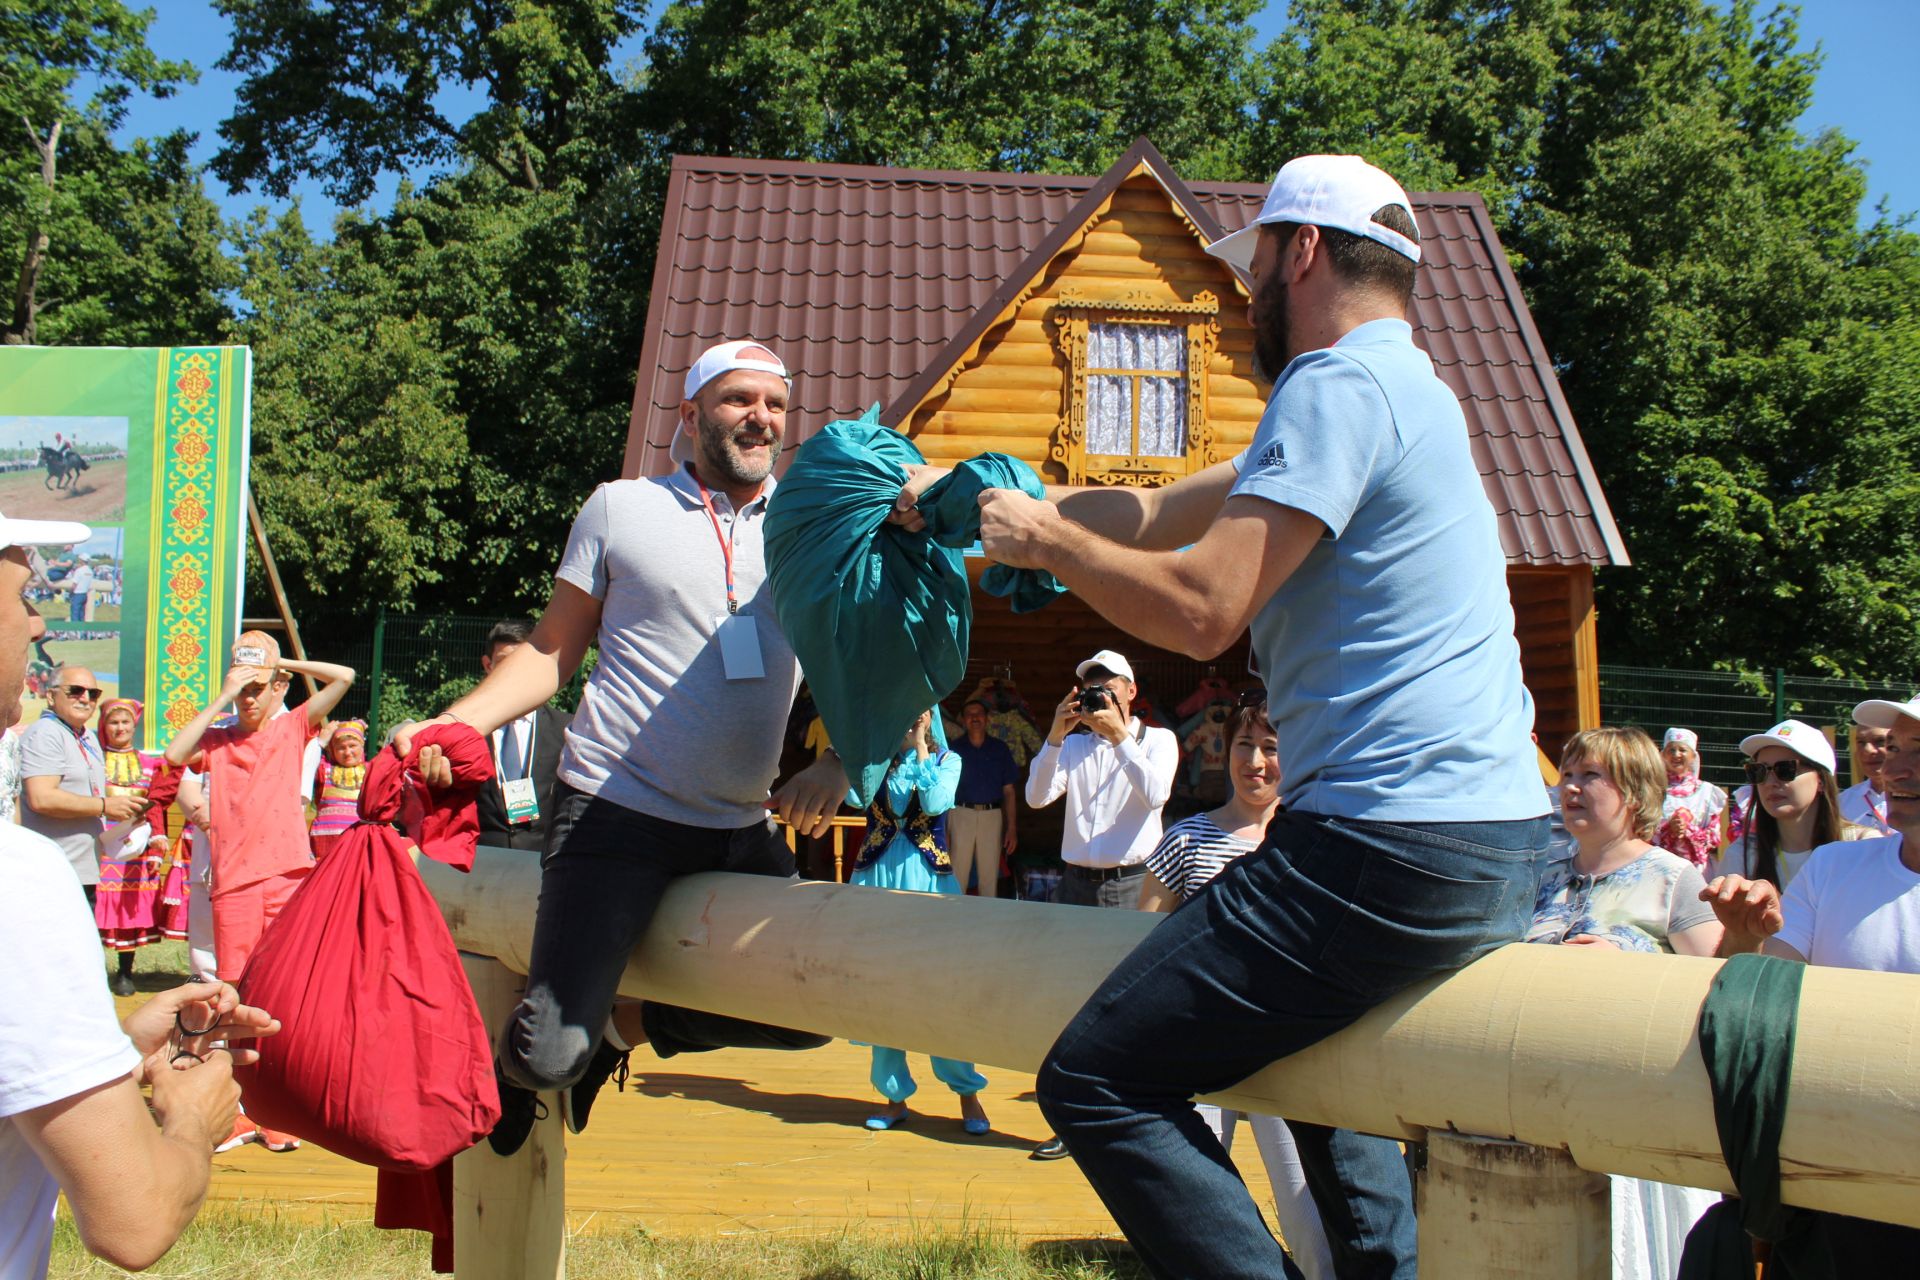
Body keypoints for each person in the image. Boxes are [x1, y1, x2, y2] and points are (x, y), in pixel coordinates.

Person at [897, 153, 1549, 1277]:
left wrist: (1047, 545)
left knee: (1094, 1081)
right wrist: (966, 498)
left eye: (1252, 271)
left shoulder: (1334, 386)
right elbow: (1148, 509)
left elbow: (1202, 612)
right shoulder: (1415, 391)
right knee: (1311, 1069)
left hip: (1380, 847)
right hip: (1494, 848)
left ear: (1300, 251)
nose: (1248, 300)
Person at [398, 339, 843, 1157]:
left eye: (775, 404)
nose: (761, 418)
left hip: (742, 825)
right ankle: (530, 1062)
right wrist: (453, 723)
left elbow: (866, 653)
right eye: (739, 399)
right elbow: (550, 652)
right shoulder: (621, 506)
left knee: (810, 1012)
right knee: (549, 1054)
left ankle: (622, 1028)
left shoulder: (809, 528)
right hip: (616, 811)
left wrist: (841, 759)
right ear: (691, 414)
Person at [0, 507, 280, 1280]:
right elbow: (135, 1221)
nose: (37, 624)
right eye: (24, 592)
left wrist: (115, 1049)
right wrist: (195, 1117)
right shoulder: (16, 880)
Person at [1701, 696, 1920, 1268]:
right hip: (1835, 1189)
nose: (1894, 768)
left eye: (1919, 751)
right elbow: (1769, 998)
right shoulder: (1833, 869)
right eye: (1893, 749)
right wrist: (1744, 938)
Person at [1138, 699, 1334, 1280]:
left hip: (1284, 1043)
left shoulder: (1315, 843)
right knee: (1196, 1180)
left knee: (1302, 1190)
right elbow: (1144, 937)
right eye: (1245, 745)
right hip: (1197, 1040)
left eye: (1271, 748)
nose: (1256, 761)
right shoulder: (1187, 837)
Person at [1527, 727, 1722, 1278]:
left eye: (1591, 775)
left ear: (1635, 792)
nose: (1570, 787)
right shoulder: (1541, 878)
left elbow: (1718, 982)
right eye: (1567, 774)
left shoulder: (1673, 878)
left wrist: (1632, 966)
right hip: (1537, 1102)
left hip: (1630, 1111)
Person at [162, 631, 355, 1153]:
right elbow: (173, 755)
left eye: (259, 688)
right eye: (243, 689)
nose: (250, 698)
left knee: (286, 995)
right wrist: (226, 693)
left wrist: (278, 661)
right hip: (235, 884)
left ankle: (276, 1109)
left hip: (290, 875)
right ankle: (231, 1108)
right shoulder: (219, 741)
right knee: (233, 997)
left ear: (279, 687)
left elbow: (345, 677)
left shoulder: (294, 726)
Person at [1022, 648, 1177, 1161]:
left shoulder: (1159, 740)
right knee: (1073, 1001)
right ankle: (1077, 1118)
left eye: (1109, 686)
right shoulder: (1074, 746)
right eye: (1091, 687)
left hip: (1135, 884)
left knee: (1131, 1002)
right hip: (1077, 886)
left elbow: (1156, 795)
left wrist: (1119, 739)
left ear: (1131, 691)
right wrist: (1053, 737)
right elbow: (1037, 797)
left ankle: (1134, 1112)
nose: (1100, 695)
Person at [848, 709, 991, 1135]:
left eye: (919, 712)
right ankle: (894, 1097)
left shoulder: (949, 760)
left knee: (940, 987)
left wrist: (923, 747)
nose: (910, 717)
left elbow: (934, 803)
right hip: (876, 880)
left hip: (928, 883)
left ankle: (968, 1092)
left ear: (931, 718)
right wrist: (877, 751)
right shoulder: (878, 762)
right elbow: (856, 799)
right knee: (881, 987)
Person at [20, 667, 141, 992]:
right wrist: (104, 807)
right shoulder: (46, 733)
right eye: (75, 690)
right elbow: (41, 797)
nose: (85, 698)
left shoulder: (85, 735)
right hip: (51, 873)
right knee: (52, 968)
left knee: (74, 965)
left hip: (81, 869)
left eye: (93, 693)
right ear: (51, 694)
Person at [1710, 719, 1851, 891]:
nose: (1770, 782)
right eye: (1759, 771)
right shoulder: (1741, 855)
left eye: (1785, 769)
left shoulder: (1860, 846)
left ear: (1821, 779)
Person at [93, 697, 170, 994]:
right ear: (105, 725)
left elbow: (156, 805)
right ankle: (93, 969)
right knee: (95, 904)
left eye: (125, 722)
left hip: (135, 844)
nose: (120, 727)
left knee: (128, 908)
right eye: (114, 722)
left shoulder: (150, 765)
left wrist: (155, 842)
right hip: (102, 841)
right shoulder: (95, 760)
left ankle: (125, 972)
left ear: (134, 725)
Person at [473, 619, 572, 851]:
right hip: (482, 863)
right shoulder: (470, 730)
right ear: (488, 665)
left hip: (541, 865)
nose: (513, 672)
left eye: (520, 663)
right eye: (504, 662)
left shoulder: (565, 729)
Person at [945, 697, 1019, 897]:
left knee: (989, 876)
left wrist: (1011, 828)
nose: (974, 718)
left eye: (979, 713)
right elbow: (945, 790)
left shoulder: (999, 749)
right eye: (969, 714)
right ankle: (953, 921)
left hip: (991, 815)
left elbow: (1009, 791)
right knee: (957, 873)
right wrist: (943, 828)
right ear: (963, 720)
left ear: (987, 719)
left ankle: (987, 924)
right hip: (960, 813)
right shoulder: (954, 749)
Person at [1654, 727, 1726, 869]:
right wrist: (1668, 829)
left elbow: (1714, 837)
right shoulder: (1653, 790)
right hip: (1659, 867)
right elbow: (1641, 831)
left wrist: (1688, 829)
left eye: (1682, 750)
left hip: (1698, 870)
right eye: (1671, 750)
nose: (1676, 754)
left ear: (1693, 756)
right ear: (1663, 755)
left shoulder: (1707, 792)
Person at [308, 719, 367, 861]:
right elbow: (307, 761)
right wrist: (321, 741)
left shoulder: (371, 771)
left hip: (357, 844)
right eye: (341, 747)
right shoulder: (323, 770)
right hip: (324, 846)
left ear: (362, 746)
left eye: (352, 746)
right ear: (333, 750)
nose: (347, 752)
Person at [1838, 715, 1893, 835]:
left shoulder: (1913, 799)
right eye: (1861, 742)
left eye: (1880, 741)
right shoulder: (1842, 803)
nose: (1868, 750)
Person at [66, 558, 92, 622]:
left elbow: (74, 584)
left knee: (75, 613)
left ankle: (75, 629)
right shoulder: (90, 571)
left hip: (77, 594)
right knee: (81, 614)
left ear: (81, 561)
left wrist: (70, 592)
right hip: (84, 594)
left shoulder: (79, 570)